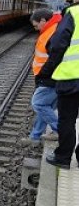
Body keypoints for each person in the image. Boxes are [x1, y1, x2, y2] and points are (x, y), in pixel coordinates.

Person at [43, 0, 79, 169]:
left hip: (71, 78)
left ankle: (63, 158)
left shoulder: (73, 13)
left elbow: (57, 45)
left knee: (67, 120)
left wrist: (47, 71)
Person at [21, 8, 62, 147]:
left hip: (50, 78)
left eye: (36, 25)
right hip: (52, 76)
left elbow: (55, 58)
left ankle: (60, 131)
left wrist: (43, 74)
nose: (35, 28)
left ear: (43, 20)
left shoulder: (53, 32)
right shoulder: (51, 30)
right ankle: (35, 137)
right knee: (46, 106)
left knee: (38, 103)